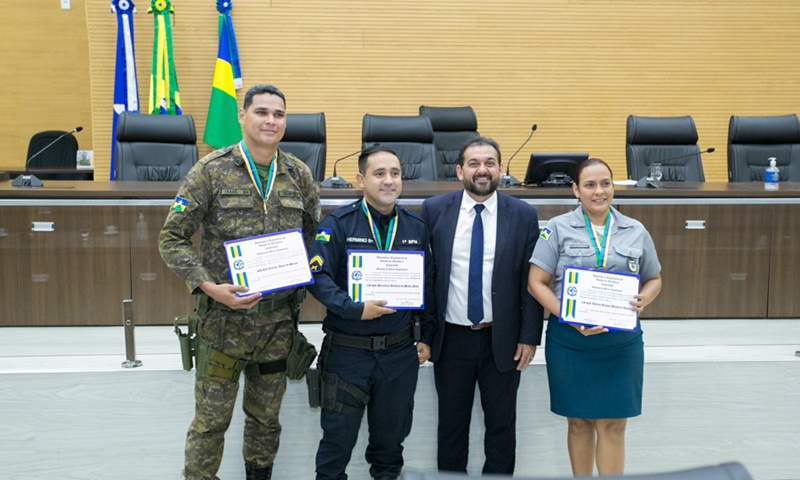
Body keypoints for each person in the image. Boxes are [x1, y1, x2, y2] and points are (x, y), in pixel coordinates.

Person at [159, 84, 321, 480]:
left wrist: (308, 268)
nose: (271, 120)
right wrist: (207, 286)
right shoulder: (211, 170)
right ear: (242, 116)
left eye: (279, 114)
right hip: (222, 325)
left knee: (266, 423)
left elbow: (316, 239)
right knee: (211, 425)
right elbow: (171, 237)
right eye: (262, 112)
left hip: (277, 327)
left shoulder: (298, 174)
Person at [527, 158, 662, 477]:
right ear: (576, 190)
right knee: (579, 422)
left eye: (606, 183)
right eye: (589, 185)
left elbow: (655, 278)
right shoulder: (556, 228)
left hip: (620, 343)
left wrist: (646, 297)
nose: (599, 191)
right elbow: (536, 282)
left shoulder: (635, 230)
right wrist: (568, 315)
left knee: (614, 425)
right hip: (571, 342)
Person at [306, 145, 434, 480]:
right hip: (349, 353)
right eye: (379, 174)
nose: (388, 181)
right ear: (361, 179)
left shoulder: (415, 227)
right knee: (336, 447)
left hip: (398, 355)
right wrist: (353, 308)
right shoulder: (337, 223)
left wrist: (427, 337)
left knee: (389, 449)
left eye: (395, 173)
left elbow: (428, 287)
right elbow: (316, 276)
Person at [420, 137, 543, 475]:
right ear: (460, 171)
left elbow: (530, 282)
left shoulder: (523, 215)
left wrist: (530, 336)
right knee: (451, 428)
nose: (482, 170)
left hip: (501, 339)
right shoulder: (434, 210)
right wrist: (424, 335)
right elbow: (427, 278)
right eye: (473, 163)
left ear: (500, 169)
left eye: (489, 162)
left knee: (502, 428)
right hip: (452, 340)